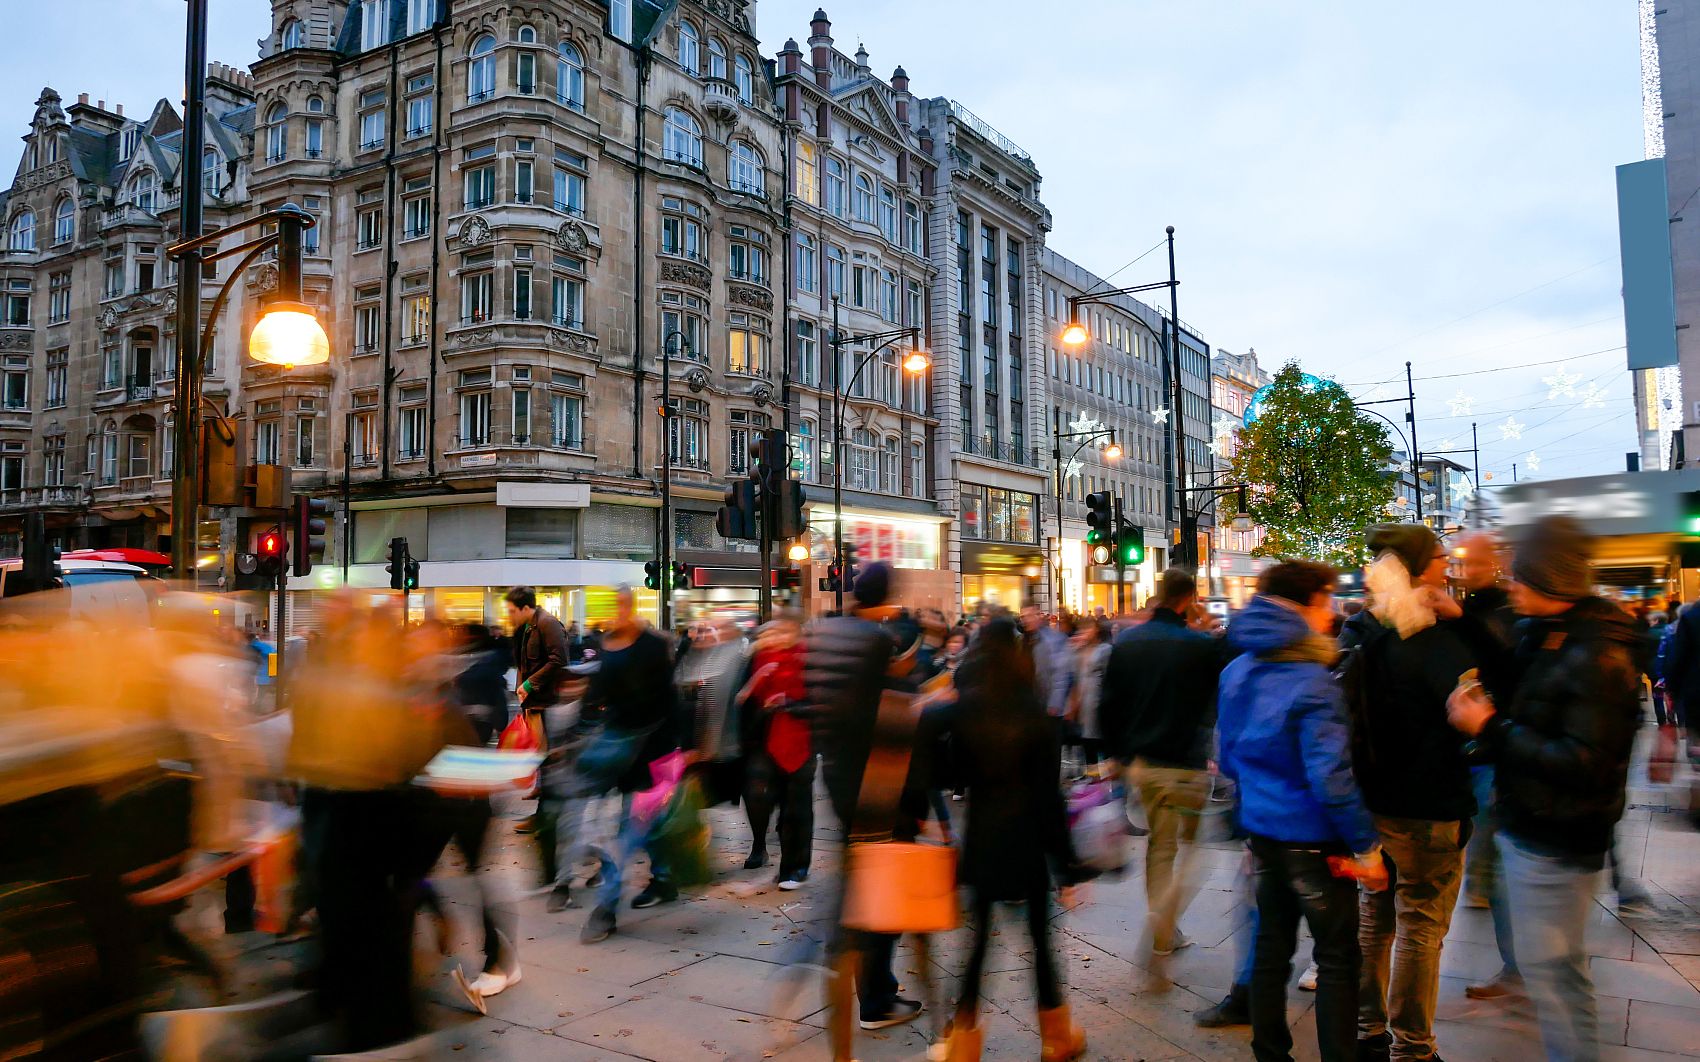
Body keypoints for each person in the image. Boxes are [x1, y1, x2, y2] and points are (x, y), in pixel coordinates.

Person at [1447, 516, 1642, 1062]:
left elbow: (1584, 762)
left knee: (1552, 974)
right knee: (1554, 970)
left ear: (1550, 583)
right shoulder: (1552, 635)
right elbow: (1516, 685)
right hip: (1535, 824)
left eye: (1519, 577)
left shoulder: (1595, 654)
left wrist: (1487, 728)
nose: (1509, 584)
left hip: (1557, 837)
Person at [1217, 560, 1388, 1062]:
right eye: (1326, 598)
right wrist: (1366, 847)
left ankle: (1270, 1051)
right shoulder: (1315, 681)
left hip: (1263, 831)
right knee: (1337, 956)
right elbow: (1330, 778)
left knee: (1271, 947)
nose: (1333, 609)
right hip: (1314, 839)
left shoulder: (1236, 669)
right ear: (1304, 606)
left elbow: (1227, 757)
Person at [924, 617, 1092, 1062]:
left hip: (983, 837)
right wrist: (1067, 864)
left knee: (976, 946)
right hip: (1028, 843)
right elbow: (1048, 796)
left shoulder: (966, 707)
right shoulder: (1034, 712)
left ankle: (963, 1043)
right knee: (1041, 943)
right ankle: (1057, 1038)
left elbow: (945, 766)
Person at [1339, 526, 1476, 1062]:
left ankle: (1369, 1026)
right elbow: (1471, 715)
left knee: (1377, 917)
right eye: (1441, 558)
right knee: (1421, 924)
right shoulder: (1435, 642)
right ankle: (1413, 1047)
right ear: (1419, 569)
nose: (1449, 565)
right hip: (1430, 803)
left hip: (1374, 800)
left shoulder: (1363, 633)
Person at [803, 561, 925, 1043]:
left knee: (862, 878)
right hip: (874, 780)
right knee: (881, 889)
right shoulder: (877, 642)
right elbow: (890, 708)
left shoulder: (823, 633)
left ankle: (875, 983)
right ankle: (875, 997)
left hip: (834, 773)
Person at [1098, 569, 1224, 964]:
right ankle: (1166, 919)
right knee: (1195, 851)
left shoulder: (1129, 642)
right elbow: (1214, 700)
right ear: (1189, 598)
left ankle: (1162, 931)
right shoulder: (1200, 646)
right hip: (1187, 763)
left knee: (1160, 848)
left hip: (1144, 764)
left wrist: (1116, 756)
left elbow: (1109, 705)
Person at [577, 585, 681, 943]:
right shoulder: (605, 645)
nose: (617, 610)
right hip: (616, 752)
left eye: (622, 604)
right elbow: (597, 697)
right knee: (642, 827)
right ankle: (665, 877)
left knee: (626, 831)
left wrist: (681, 750)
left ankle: (605, 909)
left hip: (651, 753)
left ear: (632, 606)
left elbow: (671, 700)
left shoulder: (654, 645)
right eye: (613, 605)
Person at [739, 616, 815, 888]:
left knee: (796, 808)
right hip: (764, 739)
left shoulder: (808, 660)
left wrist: (788, 703)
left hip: (799, 740)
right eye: (773, 631)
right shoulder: (757, 659)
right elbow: (742, 700)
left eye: (785, 630)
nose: (778, 636)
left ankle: (794, 868)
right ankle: (770, 849)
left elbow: (819, 703)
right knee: (761, 797)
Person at [504, 587, 571, 835]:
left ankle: (545, 816)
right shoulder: (529, 627)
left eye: (512, 611)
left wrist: (530, 684)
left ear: (525, 608)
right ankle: (545, 808)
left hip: (546, 703)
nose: (509, 615)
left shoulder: (547, 624)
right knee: (543, 760)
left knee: (547, 761)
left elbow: (559, 660)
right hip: (535, 703)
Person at [1020, 603, 1074, 723]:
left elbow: (1061, 674)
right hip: (1030, 704)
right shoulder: (1023, 640)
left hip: (1048, 705)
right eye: (1023, 617)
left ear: (1038, 615)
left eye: (1029, 615)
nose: (1026, 620)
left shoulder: (1054, 639)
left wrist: (1055, 703)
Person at [1069, 619, 1112, 765]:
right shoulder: (1078, 650)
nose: (1085, 633)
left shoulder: (1105, 649)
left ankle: (1107, 781)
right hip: (1082, 701)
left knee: (1100, 741)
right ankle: (1092, 779)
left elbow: (1108, 676)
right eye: (1083, 629)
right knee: (1087, 742)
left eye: (1089, 629)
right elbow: (1072, 672)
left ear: (1096, 630)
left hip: (1097, 700)